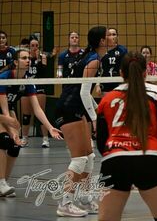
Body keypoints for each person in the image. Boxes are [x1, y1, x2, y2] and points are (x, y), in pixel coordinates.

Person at [96, 52, 157, 221]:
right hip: (149, 158)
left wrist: (115, 164)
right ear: (145, 72)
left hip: (115, 160)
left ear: (121, 73)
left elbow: (101, 140)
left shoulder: (107, 98)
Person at [55, 26, 107, 217]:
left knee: (89, 156)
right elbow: (84, 92)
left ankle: (84, 198)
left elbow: (85, 93)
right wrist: (94, 118)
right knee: (79, 158)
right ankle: (65, 203)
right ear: (102, 41)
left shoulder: (93, 57)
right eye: (108, 36)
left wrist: (97, 109)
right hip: (69, 108)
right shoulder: (93, 60)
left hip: (77, 107)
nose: (112, 38)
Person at [0, 48, 62, 196]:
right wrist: (13, 130)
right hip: (2, 111)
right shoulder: (4, 77)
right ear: (16, 62)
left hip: (8, 110)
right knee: (3, 140)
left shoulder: (27, 80)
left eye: (28, 58)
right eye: (24, 58)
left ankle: (3, 184)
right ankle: (1, 182)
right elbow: (5, 112)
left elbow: (37, 108)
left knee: (15, 145)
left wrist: (50, 127)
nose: (28, 60)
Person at [20, 37, 57, 148]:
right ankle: (24, 138)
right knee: (26, 116)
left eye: (36, 45)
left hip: (39, 86)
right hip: (26, 86)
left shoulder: (42, 57)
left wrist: (40, 61)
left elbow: (44, 73)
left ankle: (45, 139)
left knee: (41, 113)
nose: (35, 47)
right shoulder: (25, 58)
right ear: (29, 46)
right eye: (32, 45)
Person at [98, 28, 128, 94]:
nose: (112, 36)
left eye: (114, 34)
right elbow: (98, 68)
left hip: (119, 84)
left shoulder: (123, 50)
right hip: (105, 84)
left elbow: (126, 67)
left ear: (117, 37)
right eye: (109, 35)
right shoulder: (101, 50)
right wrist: (97, 84)